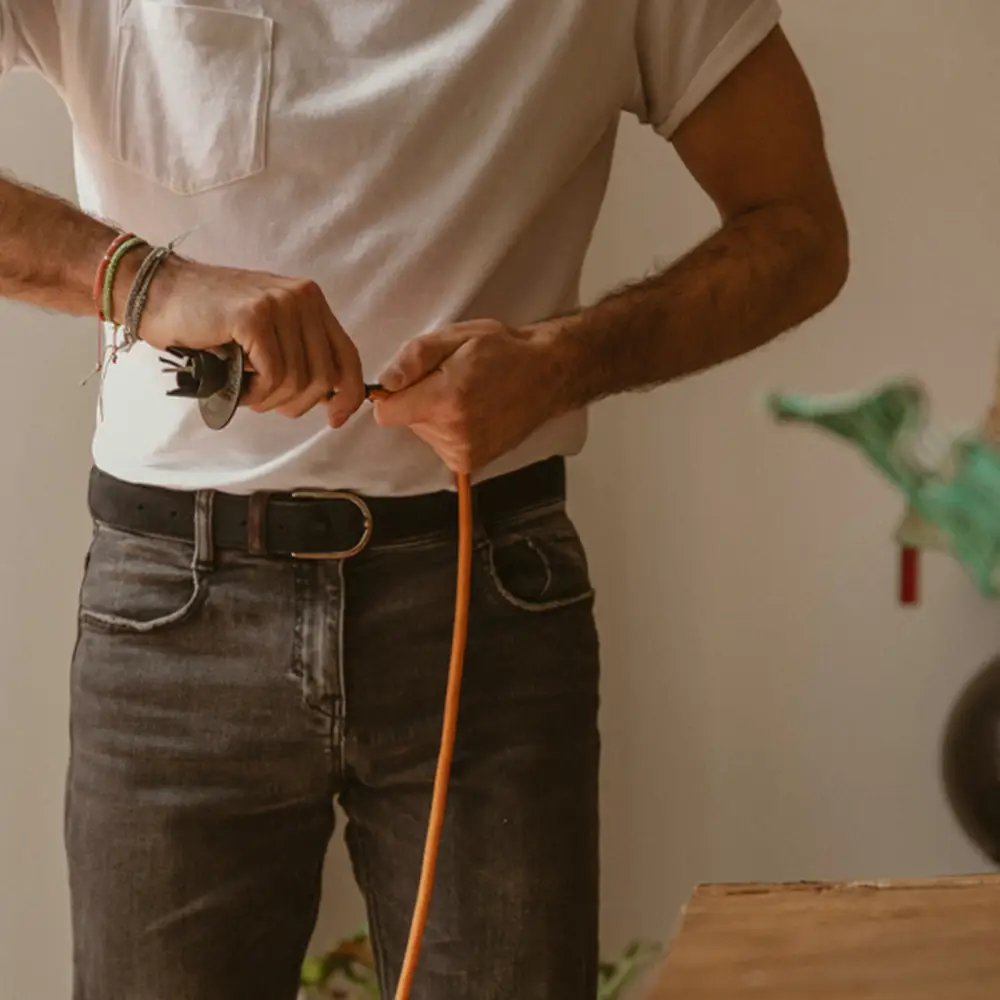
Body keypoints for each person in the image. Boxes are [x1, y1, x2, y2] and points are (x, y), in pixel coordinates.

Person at [0, 2, 848, 998]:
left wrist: (561, 361)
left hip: (484, 599)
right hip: (171, 608)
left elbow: (797, 228)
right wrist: (143, 279)